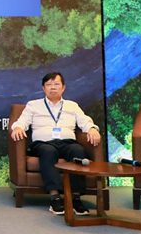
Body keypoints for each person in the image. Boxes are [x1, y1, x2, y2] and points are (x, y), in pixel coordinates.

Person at [10, 72, 101, 215]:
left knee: (77, 150)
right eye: (49, 85)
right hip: (42, 144)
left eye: (56, 84)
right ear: (43, 88)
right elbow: (22, 121)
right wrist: (17, 127)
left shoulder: (72, 106)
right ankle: (55, 198)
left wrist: (92, 129)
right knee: (48, 151)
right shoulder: (33, 105)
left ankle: (76, 198)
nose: (53, 88)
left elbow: (85, 121)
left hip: (67, 142)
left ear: (63, 87)